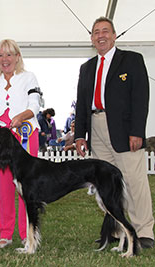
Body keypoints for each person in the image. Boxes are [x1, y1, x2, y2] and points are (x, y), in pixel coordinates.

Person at [74, 17, 154, 249]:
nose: (101, 36)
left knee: (134, 181)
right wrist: (80, 135)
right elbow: (81, 104)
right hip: (96, 127)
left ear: (114, 35)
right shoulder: (86, 68)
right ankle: (118, 231)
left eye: (105, 31)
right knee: (106, 184)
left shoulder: (132, 60)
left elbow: (141, 99)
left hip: (125, 129)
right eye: (96, 32)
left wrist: (137, 131)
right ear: (91, 38)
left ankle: (144, 230)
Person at [0, 39, 41, 248]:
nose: (5, 59)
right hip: (0, 141)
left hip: (25, 135)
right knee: (4, 186)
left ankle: (27, 234)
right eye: (1, 55)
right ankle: (6, 233)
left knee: (27, 188)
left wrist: (21, 117)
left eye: (9, 54)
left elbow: (35, 105)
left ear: (17, 56)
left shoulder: (29, 77)